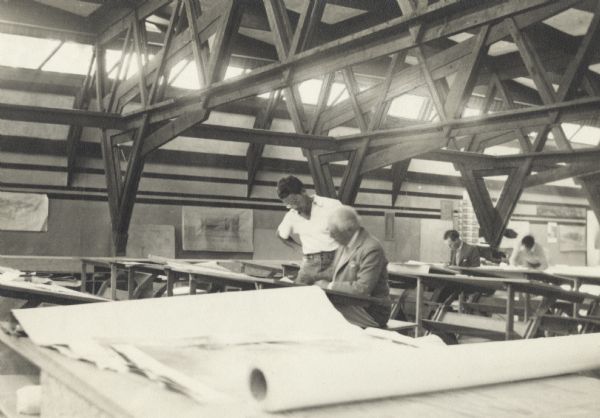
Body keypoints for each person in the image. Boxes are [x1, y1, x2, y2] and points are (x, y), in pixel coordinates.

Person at [316, 205, 392, 328]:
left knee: (317, 315)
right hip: (346, 301)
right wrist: (310, 279)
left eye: (334, 232)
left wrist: (329, 286)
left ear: (349, 230)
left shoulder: (371, 248)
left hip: (371, 310)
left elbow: (362, 289)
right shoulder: (343, 244)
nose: (330, 236)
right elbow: (333, 273)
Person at [276, 175, 342, 284]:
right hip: (309, 265)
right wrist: (299, 249)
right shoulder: (291, 215)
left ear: (303, 191)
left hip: (335, 262)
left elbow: (351, 233)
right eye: (289, 205)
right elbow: (280, 234)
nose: (295, 207)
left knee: (334, 295)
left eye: (296, 202)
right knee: (295, 296)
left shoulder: (332, 206)